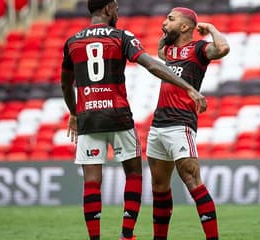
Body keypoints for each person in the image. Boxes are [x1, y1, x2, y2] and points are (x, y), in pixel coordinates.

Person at [60, 1, 207, 239]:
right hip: (118, 115)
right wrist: (188, 87)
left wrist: (74, 113)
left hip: (88, 116)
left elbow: (66, 84)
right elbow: (149, 64)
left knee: (92, 181)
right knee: (134, 174)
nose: (117, 10)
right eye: (115, 6)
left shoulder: (72, 41)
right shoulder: (121, 36)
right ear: (108, 9)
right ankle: (126, 235)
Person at [147, 7, 230, 240]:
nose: (165, 22)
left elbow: (223, 48)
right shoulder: (170, 51)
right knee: (159, 188)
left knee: (193, 181)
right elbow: (160, 50)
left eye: (170, 19)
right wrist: (166, 29)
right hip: (157, 125)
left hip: (180, 124)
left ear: (185, 27)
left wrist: (211, 28)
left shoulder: (198, 49)